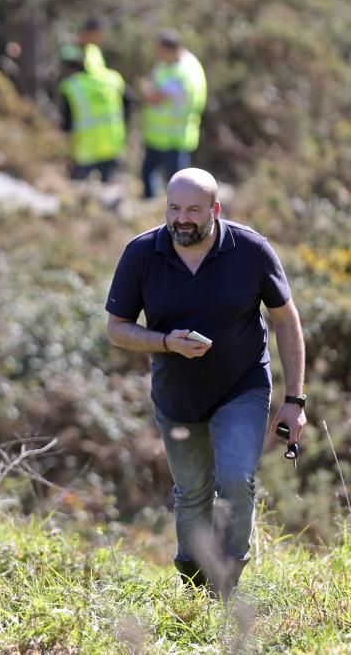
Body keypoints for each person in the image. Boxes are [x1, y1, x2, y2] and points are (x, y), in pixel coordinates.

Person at [105, 168, 307, 597]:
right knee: (192, 491)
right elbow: (117, 328)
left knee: (236, 479)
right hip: (177, 395)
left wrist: (295, 399)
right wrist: (164, 342)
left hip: (243, 385)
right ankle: (195, 588)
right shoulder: (141, 253)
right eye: (174, 208)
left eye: (193, 210)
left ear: (214, 210)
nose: (182, 218)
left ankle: (227, 582)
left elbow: (287, 321)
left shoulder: (251, 250)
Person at [140, 30, 208, 198]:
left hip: (175, 138)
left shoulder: (185, 71)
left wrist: (150, 93)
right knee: (147, 175)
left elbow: (154, 97)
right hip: (157, 136)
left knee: (178, 185)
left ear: (170, 49)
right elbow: (149, 83)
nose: (157, 54)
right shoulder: (164, 64)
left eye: (159, 50)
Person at [58, 44, 127, 183]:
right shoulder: (113, 79)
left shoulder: (71, 86)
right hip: (112, 146)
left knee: (81, 192)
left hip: (85, 150)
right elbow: (130, 103)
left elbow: (66, 124)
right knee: (108, 191)